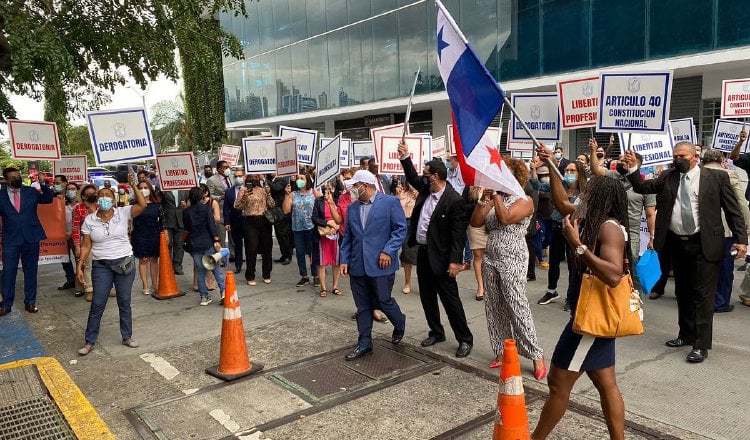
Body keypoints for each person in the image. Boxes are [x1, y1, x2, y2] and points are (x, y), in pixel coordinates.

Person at [622, 143, 747, 363]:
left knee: (703, 296)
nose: (677, 159)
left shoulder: (716, 178)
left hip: (705, 244)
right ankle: (686, 334)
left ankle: (701, 344)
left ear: (694, 156)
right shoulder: (669, 176)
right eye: (674, 156)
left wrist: (741, 240)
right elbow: (643, 187)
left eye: (682, 155)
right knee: (683, 292)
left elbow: (733, 210)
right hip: (677, 244)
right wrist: (633, 169)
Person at [531, 174, 630, 440]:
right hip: (591, 317)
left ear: (600, 198)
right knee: (605, 383)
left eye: (588, 193)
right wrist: (551, 166)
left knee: (558, 383)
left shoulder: (608, 227)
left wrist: (578, 246)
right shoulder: (593, 217)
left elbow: (613, 275)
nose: (581, 196)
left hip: (589, 321)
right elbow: (562, 203)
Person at [470, 159, 546, 378]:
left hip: (513, 257)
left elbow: (505, 218)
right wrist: (482, 202)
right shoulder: (495, 198)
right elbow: (476, 223)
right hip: (491, 256)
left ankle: (535, 354)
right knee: (494, 306)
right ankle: (502, 351)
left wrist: (495, 197)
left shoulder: (525, 200)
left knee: (517, 305)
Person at [398, 142, 473, 358]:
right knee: (427, 298)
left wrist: (455, 262)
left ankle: (464, 339)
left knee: (451, 301)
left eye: (427, 174)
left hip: (442, 259)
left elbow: (458, 236)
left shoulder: (454, 201)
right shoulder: (426, 190)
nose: (423, 177)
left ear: (436, 176)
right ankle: (436, 331)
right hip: (423, 254)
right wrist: (405, 158)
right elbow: (412, 177)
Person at [339, 170, 407, 360]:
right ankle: (364, 343)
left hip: (381, 264)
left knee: (383, 301)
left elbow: (400, 229)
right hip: (358, 265)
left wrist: (388, 250)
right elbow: (348, 237)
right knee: (363, 306)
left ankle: (399, 322)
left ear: (366, 186)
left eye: (356, 186)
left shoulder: (389, 203)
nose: (353, 189)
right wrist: (344, 259)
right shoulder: (352, 209)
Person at [76, 174, 146, 355]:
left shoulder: (123, 213)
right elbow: (86, 245)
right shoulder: (90, 220)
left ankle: (127, 336)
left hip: (124, 264)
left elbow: (142, 205)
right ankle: (89, 341)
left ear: (114, 200)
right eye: (102, 196)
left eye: (108, 195)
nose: (105, 198)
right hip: (102, 266)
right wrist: (80, 265)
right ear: (97, 200)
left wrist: (133, 186)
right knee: (98, 303)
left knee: (124, 301)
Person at [589, 139, 656, 282]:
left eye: (626, 161)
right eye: (621, 160)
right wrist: (593, 151)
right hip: (612, 229)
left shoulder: (646, 185)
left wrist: (652, 237)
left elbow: (650, 214)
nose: (621, 163)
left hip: (632, 233)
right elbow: (596, 169)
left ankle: (629, 296)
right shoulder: (615, 176)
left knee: (629, 266)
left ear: (636, 164)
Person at [0, 167, 55, 316]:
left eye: (18, 175)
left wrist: (43, 183)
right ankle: (6, 304)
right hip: (11, 240)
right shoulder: (0, 195)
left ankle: (30, 302)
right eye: (12, 177)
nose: (16, 178)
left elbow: (49, 198)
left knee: (31, 271)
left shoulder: (30, 192)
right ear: (6, 179)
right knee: (8, 272)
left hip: (31, 237)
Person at [702, 149, 750, 313]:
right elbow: (741, 204)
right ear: (722, 160)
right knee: (724, 267)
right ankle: (720, 302)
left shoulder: (695, 174)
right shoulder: (728, 175)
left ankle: (704, 299)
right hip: (725, 229)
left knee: (704, 265)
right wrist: (744, 229)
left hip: (701, 228)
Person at [537, 161, 587, 309]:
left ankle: (571, 297)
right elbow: (537, 185)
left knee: (573, 264)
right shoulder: (560, 188)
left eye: (572, 170)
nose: (569, 173)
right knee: (553, 262)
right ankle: (551, 291)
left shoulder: (584, 192)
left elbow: (576, 212)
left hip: (573, 231)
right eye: (566, 170)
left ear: (579, 173)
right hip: (556, 228)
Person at [184, 186, 226, 306]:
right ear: (201, 196)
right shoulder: (206, 209)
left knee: (200, 271)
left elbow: (187, 229)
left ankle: (204, 296)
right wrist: (216, 240)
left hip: (194, 244)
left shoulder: (186, 212)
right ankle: (223, 292)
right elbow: (211, 225)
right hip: (207, 242)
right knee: (216, 268)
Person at [234, 175, 275, 285]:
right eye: (252, 177)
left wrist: (268, 193)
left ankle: (267, 274)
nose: (254, 179)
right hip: (250, 221)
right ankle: (250, 275)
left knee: (267, 249)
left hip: (264, 220)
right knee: (251, 249)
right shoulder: (243, 190)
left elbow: (272, 204)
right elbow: (237, 206)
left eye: (256, 177)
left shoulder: (263, 190)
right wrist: (244, 197)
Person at [283, 172, 320, 287]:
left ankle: (316, 276)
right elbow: (286, 210)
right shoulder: (293, 194)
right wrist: (286, 195)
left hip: (311, 228)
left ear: (307, 180)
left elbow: (322, 207)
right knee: (299, 253)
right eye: (298, 178)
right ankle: (304, 276)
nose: (299, 180)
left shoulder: (314, 193)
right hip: (297, 228)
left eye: (302, 178)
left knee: (312, 253)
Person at [131, 180, 162, 296]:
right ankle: (145, 285)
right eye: (141, 188)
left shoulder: (157, 205)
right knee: (143, 260)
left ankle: (155, 284)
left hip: (154, 235)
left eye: (145, 187)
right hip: (140, 236)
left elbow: (161, 221)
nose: (143, 190)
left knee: (154, 260)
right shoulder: (135, 206)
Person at [312, 181, 343, 297]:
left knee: (337, 261)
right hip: (323, 235)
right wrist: (327, 223)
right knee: (321, 262)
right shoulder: (318, 201)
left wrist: (336, 225)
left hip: (336, 235)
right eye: (325, 187)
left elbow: (342, 216)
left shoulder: (338, 200)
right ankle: (323, 288)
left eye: (330, 187)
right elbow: (314, 218)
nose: (327, 189)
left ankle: (335, 286)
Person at [72, 184, 99, 302]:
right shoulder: (78, 208)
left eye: (93, 193)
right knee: (88, 266)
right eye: (88, 194)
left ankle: (106, 288)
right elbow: (75, 229)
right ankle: (89, 289)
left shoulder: (101, 206)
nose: (91, 196)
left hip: (101, 240)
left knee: (104, 264)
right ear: (83, 196)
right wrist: (77, 246)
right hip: (86, 241)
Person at [192, 184, 221, 292]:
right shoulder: (194, 205)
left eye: (202, 192)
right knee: (198, 263)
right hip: (197, 236)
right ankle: (196, 284)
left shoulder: (212, 202)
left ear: (206, 192)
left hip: (210, 234)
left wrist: (204, 215)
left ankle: (210, 283)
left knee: (209, 261)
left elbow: (217, 219)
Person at [393, 178, 419, 295]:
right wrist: (398, 195)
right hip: (404, 222)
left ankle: (424, 283)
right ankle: (407, 283)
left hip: (416, 223)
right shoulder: (400, 193)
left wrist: (414, 189)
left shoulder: (418, 193)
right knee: (407, 254)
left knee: (420, 255)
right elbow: (396, 208)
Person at [466, 186, 489, 300]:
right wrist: (476, 192)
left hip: (490, 223)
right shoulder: (472, 184)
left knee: (490, 256)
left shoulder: (494, 182)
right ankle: (480, 287)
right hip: (475, 224)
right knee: (478, 256)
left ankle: (490, 285)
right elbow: (467, 201)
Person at [57, 176, 78, 291]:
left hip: (76, 237)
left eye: (73, 189)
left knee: (79, 258)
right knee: (65, 259)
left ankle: (81, 280)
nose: (71, 191)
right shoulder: (60, 204)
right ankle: (70, 280)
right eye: (69, 189)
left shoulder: (81, 205)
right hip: (63, 236)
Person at [161, 188, 188, 275]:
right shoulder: (164, 189)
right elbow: (160, 204)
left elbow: (190, 202)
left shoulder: (184, 190)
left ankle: (177, 266)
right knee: (168, 244)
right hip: (168, 220)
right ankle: (168, 267)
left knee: (179, 244)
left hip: (180, 220)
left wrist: (186, 205)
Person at [224, 170, 247, 274]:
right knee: (237, 244)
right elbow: (226, 208)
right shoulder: (229, 191)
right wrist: (227, 222)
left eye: (240, 176)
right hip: (235, 221)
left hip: (248, 221)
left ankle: (251, 264)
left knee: (249, 243)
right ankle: (238, 265)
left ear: (244, 176)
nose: (238, 178)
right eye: (236, 176)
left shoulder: (249, 189)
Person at [270, 175, 293, 264]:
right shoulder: (272, 179)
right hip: (276, 211)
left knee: (284, 235)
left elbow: (276, 188)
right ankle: (283, 255)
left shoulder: (282, 178)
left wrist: (265, 180)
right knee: (279, 234)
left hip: (283, 210)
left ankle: (288, 256)